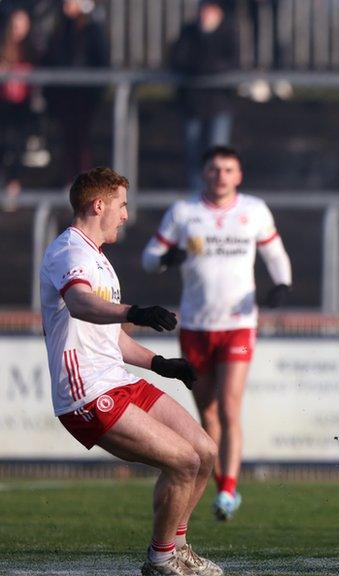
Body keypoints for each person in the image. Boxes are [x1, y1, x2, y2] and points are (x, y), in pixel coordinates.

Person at [40, 167, 221, 576]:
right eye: (121, 205)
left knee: (205, 452)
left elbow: (112, 337)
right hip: (85, 392)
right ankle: (160, 560)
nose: (125, 214)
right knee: (181, 462)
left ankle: (177, 548)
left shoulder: (100, 260)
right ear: (98, 205)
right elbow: (81, 304)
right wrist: (135, 311)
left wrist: (161, 364)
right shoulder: (70, 252)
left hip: (119, 380)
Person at [142, 146, 292, 522]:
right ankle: (220, 481)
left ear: (238, 176)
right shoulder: (184, 213)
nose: (221, 175)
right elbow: (148, 257)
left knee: (229, 407)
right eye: (214, 169)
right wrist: (164, 260)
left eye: (228, 169)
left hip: (238, 324)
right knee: (207, 412)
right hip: (195, 326)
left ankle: (228, 491)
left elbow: (275, 254)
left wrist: (282, 283)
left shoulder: (254, 210)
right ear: (204, 174)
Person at [169, 0, 239, 191]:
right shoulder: (190, 32)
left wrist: (200, 68)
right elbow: (177, 59)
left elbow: (230, 65)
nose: (206, 14)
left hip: (219, 105)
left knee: (219, 156)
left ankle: (218, 194)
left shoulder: (228, 33)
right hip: (193, 105)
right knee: (194, 156)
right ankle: (197, 195)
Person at [42, 0, 109, 184]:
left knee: (82, 142)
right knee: (68, 141)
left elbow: (101, 60)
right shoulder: (62, 28)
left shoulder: (92, 29)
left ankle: (83, 183)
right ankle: (70, 181)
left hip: (84, 97)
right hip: (65, 97)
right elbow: (53, 58)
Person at [0, 7, 35, 210]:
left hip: (21, 108)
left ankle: (13, 188)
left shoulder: (30, 50)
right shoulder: (4, 48)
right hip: (4, 105)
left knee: (16, 146)